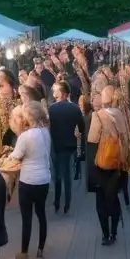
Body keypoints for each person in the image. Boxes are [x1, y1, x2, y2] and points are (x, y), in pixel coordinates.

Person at [1, 101, 51, 259]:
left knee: (27, 217)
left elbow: (15, 156)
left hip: (28, 179)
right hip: (44, 178)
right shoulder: (45, 131)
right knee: (41, 213)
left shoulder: (26, 136)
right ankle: (41, 248)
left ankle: (24, 251)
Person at [89, 85, 130, 245]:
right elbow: (125, 139)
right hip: (117, 163)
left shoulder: (97, 115)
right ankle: (114, 232)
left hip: (101, 165)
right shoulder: (119, 114)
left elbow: (92, 140)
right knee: (113, 198)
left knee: (101, 201)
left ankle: (105, 234)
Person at [48, 80, 85, 214]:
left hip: (56, 145)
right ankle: (67, 202)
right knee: (67, 174)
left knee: (57, 173)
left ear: (62, 94)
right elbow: (81, 129)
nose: (53, 93)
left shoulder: (52, 109)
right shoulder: (75, 109)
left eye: (56, 91)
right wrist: (80, 149)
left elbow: (48, 127)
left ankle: (57, 201)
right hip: (70, 145)